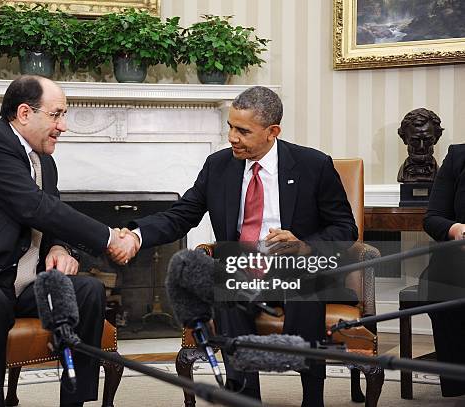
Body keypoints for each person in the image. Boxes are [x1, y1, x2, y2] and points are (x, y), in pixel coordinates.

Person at [117, 86, 357, 406]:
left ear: (273, 132)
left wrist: (305, 246)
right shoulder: (219, 165)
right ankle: (244, 395)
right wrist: (136, 235)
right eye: (230, 126)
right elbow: (181, 215)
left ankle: (312, 396)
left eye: (243, 130)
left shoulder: (313, 165)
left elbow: (345, 228)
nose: (232, 137)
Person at [0, 75, 139, 407]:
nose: (63, 126)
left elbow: (50, 218)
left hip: (18, 284)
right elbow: (33, 206)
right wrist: (109, 236)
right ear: (24, 113)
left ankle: (76, 401)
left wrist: (59, 247)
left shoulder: (44, 161)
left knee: (88, 292)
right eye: (56, 114)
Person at [423, 143, 465, 398]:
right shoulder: (458, 156)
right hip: (458, 264)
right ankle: (458, 384)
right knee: (443, 274)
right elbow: (433, 218)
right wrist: (456, 230)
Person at [397, 108, 443, 183]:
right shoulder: (403, 174)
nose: (421, 147)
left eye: (427, 140)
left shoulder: (439, 173)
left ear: (436, 139)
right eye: (415, 140)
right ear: (405, 139)